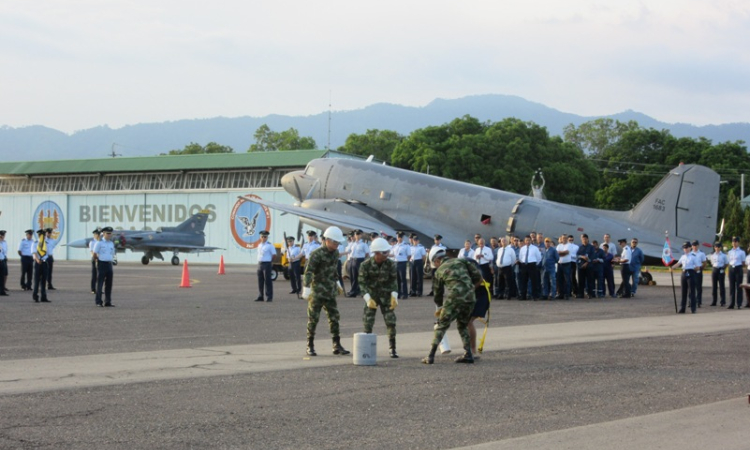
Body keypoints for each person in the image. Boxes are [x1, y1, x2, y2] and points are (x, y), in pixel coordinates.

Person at [422, 245, 483, 364]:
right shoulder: (462, 261)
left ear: (437, 260)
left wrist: (440, 308)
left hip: (455, 297)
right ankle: (468, 354)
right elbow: (479, 278)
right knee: (463, 324)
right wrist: (469, 290)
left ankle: (430, 356)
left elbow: (438, 294)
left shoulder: (439, 271)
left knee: (441, 325)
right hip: (470, 298)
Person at [301, 226, 349, 356]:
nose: (337, 245)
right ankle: (310, 345)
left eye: (338, 243)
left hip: (330, 291)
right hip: (317, 292)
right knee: (313, 318)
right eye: (335, 242)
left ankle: (336, 344)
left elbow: (333, 270)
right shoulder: (316, 254)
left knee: (334, 318)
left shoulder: (334, 253)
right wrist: (306, 288)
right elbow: (309, 271)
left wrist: (337, 282)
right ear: (327, 240)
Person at [359, 238, 399, 357]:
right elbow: (362, 282)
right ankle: (366, 349)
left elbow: (393, 281)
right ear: (377, 253)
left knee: (391, 321)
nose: (387, 254)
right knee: (368, 322)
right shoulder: (365, 265)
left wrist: (394, 296)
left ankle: (392, 348)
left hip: (386, 296)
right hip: (371, 296)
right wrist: (367, 298)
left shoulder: (391, 264)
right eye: (385, 253)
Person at [670, 242, 697, 313]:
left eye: (687, 247)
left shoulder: (693, 256)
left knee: (692, 291)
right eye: (684, 248)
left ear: (690, 248)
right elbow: (678, 263)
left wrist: (692, 271)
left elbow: (697, 266)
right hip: (684, 273)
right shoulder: (683, 256)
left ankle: (693, 308)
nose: (685, 249)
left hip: (690, 272)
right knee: (683, 291)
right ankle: (682, 308)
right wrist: (672, 267)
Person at [93, 227, 116, 307]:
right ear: (103, 233)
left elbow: (112, 253)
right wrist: (97, 261)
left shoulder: (111, 243)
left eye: (110, 233)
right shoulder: (99, 243)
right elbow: (94, 253)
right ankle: (98, 301)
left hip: (109, 264)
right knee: (100, 283)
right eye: (107, 233)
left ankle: (107, 301)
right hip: (101, 264)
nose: (109, 235)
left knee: (109, 284)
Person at [518, 235, 542, 300]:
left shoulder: (535, 248)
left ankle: (534, 296)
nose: (527, 241)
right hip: (524, 265)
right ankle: (523, 296)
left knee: (534, 281)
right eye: (526, 240)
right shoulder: (522, 249)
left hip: (532, 265)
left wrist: (534, 264)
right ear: (525, 241)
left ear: (531, 240)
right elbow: (520, 257)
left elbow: (539, 258)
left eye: (529, 240)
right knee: (523, 281)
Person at [346, 229, 368, 297]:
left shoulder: (363, 244)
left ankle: (360, 291)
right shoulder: (352, 244)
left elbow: (367, 253)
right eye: (356, 234)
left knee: (360, 277)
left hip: (360, 260)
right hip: (352, 260)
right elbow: (348, 251)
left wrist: (365, 261)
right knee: (353, 276)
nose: (357, 236)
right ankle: (354, 291)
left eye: (358, 234)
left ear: (361, 235)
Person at [254, 230, 275, 302]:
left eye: (265, 237)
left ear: (267, 237)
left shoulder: (270, 245)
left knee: (267, 281)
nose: (263, 238)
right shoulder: (259, 245)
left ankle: (269, 296)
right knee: (260, 281)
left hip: (267, 263)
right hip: (260, 263)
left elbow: (274, 255)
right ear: (260, 237)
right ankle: (260, 295)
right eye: (262, 237)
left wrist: (269, 262)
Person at [32, 229, 51, 303]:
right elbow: (34, 252)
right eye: (42, 235)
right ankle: (35, 296)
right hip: (38, 263)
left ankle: (43, 297)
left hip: (44, 263)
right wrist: (37, 260)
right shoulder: (35, 243)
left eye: (44, 235)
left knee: (44, 281)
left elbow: (48, 253)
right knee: (36, 280)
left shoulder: (47, 243)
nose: (43, 236)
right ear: (39, 235)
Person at [726, 236, 745, 309]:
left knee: (739, 286)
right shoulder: (729, 252)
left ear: (738, 243)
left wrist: (739, 267)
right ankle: (731, 303)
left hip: (738, 268)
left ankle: (739, 303)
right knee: (731, 286)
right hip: (731, 268)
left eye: (736, 242)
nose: (734, 243)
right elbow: (728, 261)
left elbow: (743, 262)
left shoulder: (741, 252)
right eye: (733, 242)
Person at [393, 232, 410, 299]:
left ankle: (404, 294)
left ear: (402, 238)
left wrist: (405, 261)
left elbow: (409, 255)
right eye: (398, 237)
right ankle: (398, 293)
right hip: (396, 262)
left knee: (403, 279)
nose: (399, 238)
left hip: (402, 263)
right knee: (397, 280)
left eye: (400, 237)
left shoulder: (406, 245)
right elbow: (393, 254)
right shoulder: (395, 246)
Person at [709, 242, 727, 307]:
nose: (717, 248)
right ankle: (714, 301)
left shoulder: (724, 255)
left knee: (722, 286)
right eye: (716, 247)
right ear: (714, 248)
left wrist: (723, 268)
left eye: (718, 247)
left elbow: (726, 263)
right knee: (714, 286)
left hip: (721, 269)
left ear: (720, 247)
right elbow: (712, 263)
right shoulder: (712, 255)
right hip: (715, 269)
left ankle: (723, 301)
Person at [690, 240, 706, 307]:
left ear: (698, 245)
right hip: (691, 271)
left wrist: (700, 268)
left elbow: (704, 263)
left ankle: (698, 302)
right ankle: (691, 301)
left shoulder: (701, 254)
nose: (694, 247)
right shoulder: (689, 253)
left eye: (696, 245)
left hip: (698, 271)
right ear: (691, 246)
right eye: (693, 245)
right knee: (691, 287)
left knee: (698, 287)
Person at [89, 229, 101, 294]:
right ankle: (93, 289)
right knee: (94, 274)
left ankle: (99, 289)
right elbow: (91, 251)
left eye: (99, 234)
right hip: (95, 259)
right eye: (97, 234)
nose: (98, 236)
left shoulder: (101, 242)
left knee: (100, 275)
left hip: (101, 259)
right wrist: (95, 258)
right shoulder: (92, 242)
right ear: (95, 235)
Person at [0, 230, 7, 296]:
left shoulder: (4, 243)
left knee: (2, 276)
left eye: (3, 235)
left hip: (2, 260)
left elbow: (4, 252)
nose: (2, 237)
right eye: (1, 235)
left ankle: (2, 291)